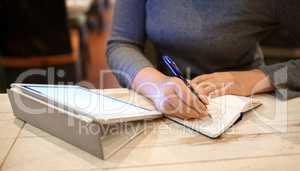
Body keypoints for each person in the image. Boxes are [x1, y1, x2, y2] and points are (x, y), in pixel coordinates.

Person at [107, 0, 300, 119]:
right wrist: (156, 85)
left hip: (249, 106)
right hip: (166, 103)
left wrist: (256, 79)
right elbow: (122, 44)